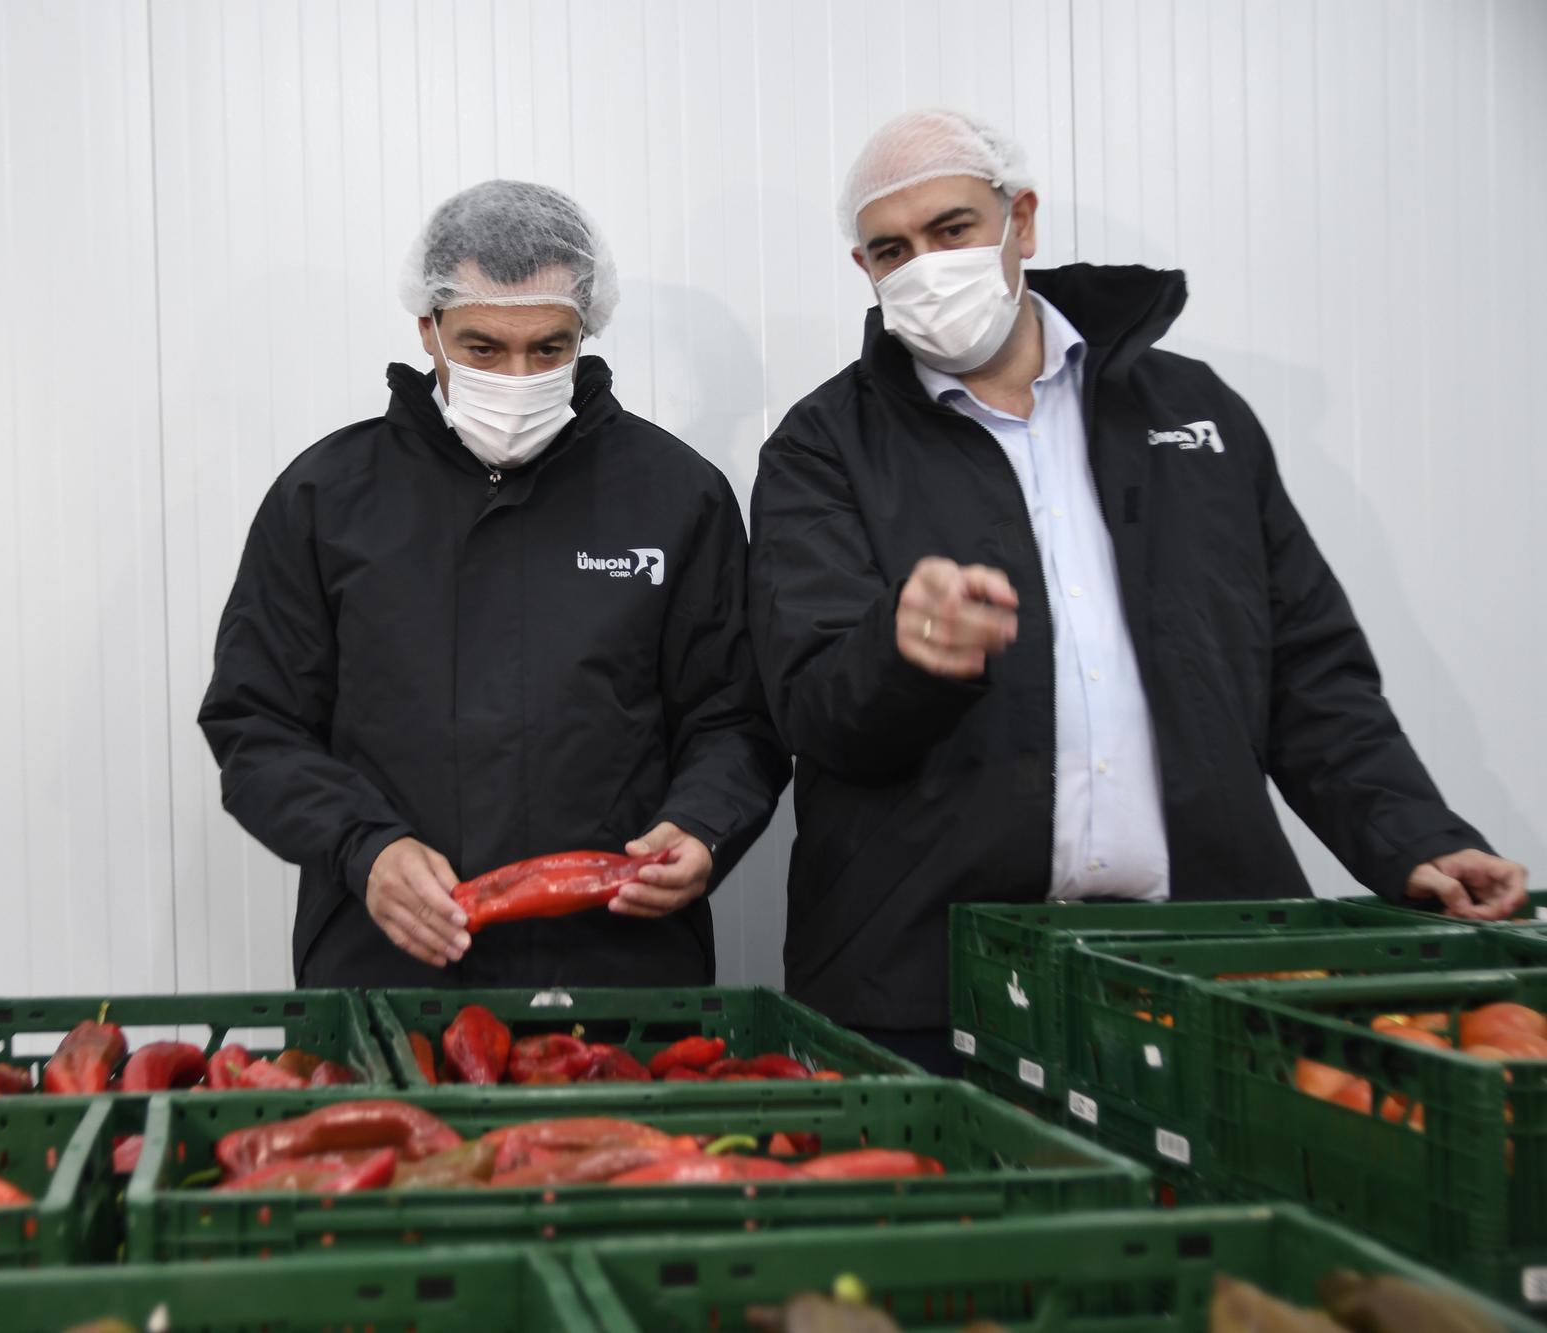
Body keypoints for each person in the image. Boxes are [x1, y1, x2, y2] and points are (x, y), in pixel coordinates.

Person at [747, 109, 1528, 1072]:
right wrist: (902, 651)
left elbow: (1308, 671)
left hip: (1205, 963)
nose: (925, 266)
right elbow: (813, 708)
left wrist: (1413, 834)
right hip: (924, 981)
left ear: (1020, 223)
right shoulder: (822, 447)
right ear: (864, 269)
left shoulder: (1196, 415)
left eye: (952, 230)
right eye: (889, 249)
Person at [201, 180, 788, 988]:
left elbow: (738, 716)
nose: (518, 377)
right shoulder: (327, 499)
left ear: (586, 329)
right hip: (391, 966)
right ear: (429, 331)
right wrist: (361, 846)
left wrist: (703, 824)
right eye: (482, 348)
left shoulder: (677, 496)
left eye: (548, 348)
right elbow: (255, 723)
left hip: (621, 970)